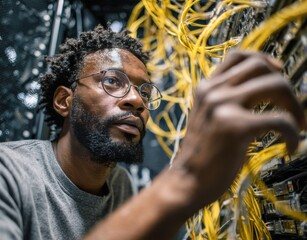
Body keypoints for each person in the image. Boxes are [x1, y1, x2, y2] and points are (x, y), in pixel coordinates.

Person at [0, 25, 305, 240]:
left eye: (144, 91)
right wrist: (182, 183)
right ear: (65, 101)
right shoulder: (9, 173)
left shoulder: (119, 184)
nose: (136, 100)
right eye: (112, 81)